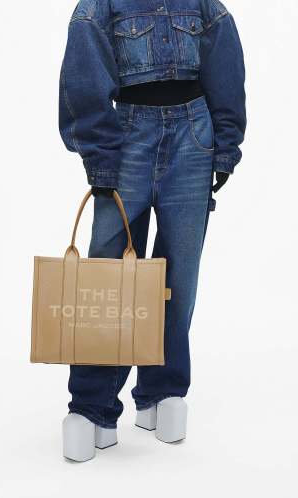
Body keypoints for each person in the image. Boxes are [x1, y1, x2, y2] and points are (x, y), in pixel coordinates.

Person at [59, 0, 246, 461]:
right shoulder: (99, 6)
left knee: (178, 277)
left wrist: (225, 148)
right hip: (126, 141)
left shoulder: (202, 3)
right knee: (107, 278)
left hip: (193, 141)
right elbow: (82, 82)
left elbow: (226, 68)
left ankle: (163, 391)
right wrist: (100, 158)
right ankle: (92, 406)